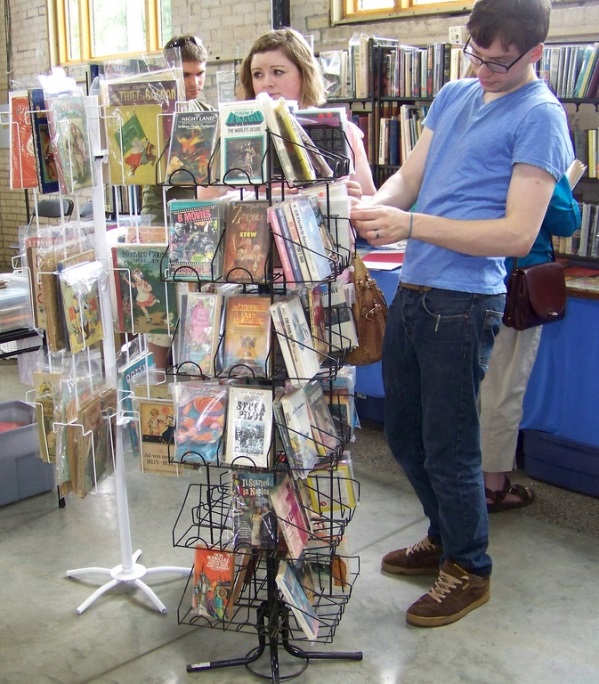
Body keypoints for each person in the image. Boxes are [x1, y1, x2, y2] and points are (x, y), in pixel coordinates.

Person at [349, 0, 573, 628]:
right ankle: (444, 536)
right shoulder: (452, 95)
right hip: (416, 290)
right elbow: (408, 179)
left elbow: (514, 233)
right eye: (475, 52)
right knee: (403, 434)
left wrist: (410, 223)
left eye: (499, 62)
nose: (483, 70)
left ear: (534, 54)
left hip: (465, 300)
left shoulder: (541, 117)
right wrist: (372, 208)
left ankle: (469, 567)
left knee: (450, 445)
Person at [481, 174, 581, 512]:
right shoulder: (538, 156)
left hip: (465, 278)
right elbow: (565, 221)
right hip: (513, 290)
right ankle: (491, 485)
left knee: (470, 386)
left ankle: (458, 475)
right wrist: (563, 179)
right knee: (505, 387)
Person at [140, 34, 213, 369]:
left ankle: (192, 374)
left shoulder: (206, 112)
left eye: (200, 73)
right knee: (161, 313)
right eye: (185, 75)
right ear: (167, 74)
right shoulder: (151, 114)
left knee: (198, 306)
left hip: (200, 214)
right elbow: (140, 169)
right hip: (162, 219)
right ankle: (158, 384)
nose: (195, 82)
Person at [237, 27, 376, 199]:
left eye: (278, 72)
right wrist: (267, 197)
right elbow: (210, 199)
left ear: (304, 73)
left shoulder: (345, 130)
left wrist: (355, 196)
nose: (267, 82)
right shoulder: (237, 132)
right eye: (257, 74)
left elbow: (371, 199)